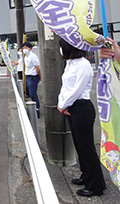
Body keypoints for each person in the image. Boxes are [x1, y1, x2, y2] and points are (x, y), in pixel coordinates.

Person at [57, 38, 106, 197]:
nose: (60, 50)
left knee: (87, 147)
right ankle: (86, 176)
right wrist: (61, 103)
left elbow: (78, 90)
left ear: (69, 48)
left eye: (61, 47)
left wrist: (63, 104)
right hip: (70, 106)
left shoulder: (83, 64)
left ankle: (96, 185)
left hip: (82, 107)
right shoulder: (70, 64)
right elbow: (65, 87)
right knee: (79, 146)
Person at [22, 42, 41, 117]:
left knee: (33, 94)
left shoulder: (33, 56)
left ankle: (37, 110)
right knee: (30, 94)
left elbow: (38, 68)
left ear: (30, 48)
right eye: (23, 48)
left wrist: (39, 77)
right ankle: (34, 110)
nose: (24, 49)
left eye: (26, 47)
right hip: (28, 77)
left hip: (33, 77)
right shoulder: (26, 57)